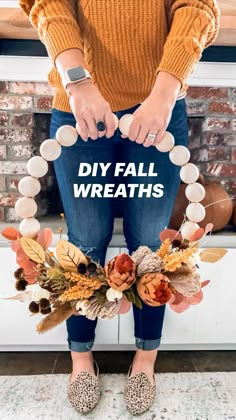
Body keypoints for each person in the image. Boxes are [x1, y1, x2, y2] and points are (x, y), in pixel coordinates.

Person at [20, 0, 219, 415]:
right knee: (84, 243)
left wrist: (164, 93)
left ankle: (145, 360)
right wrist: (78, 82)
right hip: (79, 106)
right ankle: (80, 359)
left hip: (159, 106)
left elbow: (196, 7)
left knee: (150, 246)